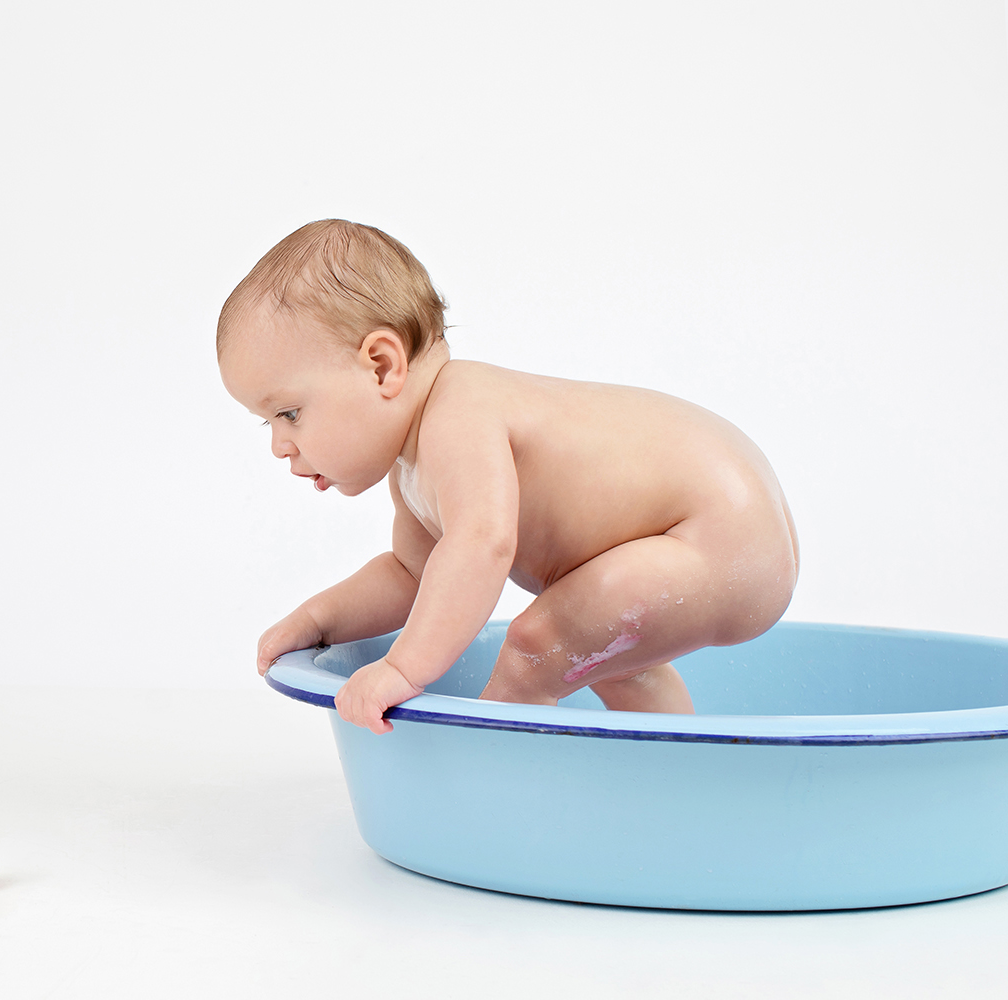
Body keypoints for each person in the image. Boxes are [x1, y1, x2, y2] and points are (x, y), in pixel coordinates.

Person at [217, 219, 799, 734]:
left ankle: (480, 796)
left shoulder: (459, 411)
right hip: (717, 536)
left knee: (537, 646)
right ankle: (678, 781)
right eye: (266, 422)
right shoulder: (413, 466)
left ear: (381, 365)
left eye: (289, 413)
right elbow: (413, 576)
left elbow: (482, 544)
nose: (278, 445)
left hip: (721, 535)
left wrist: (402, 668)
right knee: (612, 660)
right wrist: (318, 622)